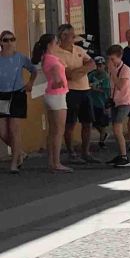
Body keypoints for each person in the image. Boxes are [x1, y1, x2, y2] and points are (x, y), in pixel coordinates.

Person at [32, 32, 71, 172]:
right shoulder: (52, 60)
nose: (57, 44)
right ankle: (56, 162)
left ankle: (51, 161)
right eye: (55, 42)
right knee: (58, 131)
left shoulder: (46, 58)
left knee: (53, 131)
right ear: (50, 45)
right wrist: (61, 82)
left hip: (50, 95)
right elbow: (56, 80)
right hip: (57, 96)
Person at [59, 25, 95, 164]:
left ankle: (86, 152)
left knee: (87, 122)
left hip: (85, 89)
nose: (74, 37)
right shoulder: (58, 53)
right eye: (72, 35)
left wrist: (80, 70)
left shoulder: (78, 49)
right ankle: (71, 152)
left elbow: (92, 63)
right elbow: (69, 75)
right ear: (63, 36)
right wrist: (84, 69)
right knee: (70, 123)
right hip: (70, 91)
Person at [0, 31, 36, 173]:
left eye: (12, 39)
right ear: (1, 43)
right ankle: (20, 152)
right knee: (2, 131)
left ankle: (14, 162)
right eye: (6, 40)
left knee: (14, 130)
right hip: (2, 95)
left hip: (17, 94)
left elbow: (33, 70)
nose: (9, 43)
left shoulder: (20, 57)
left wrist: (30, 83)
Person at [104, 45, 130, 168]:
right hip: (115, 102)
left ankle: (125, 157)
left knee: (117, 129)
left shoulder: (125, 69)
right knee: (115, 130)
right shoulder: (113, 69)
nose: (111, 62)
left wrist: (112, 71)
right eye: (109, 59)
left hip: (124, 102)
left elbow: (120, 85)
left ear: (120, 57)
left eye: (113, 59)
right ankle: (120, 154)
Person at [89, 56, 113, 149]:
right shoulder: (92, 74)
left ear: (103, 65)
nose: (98, 67)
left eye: (100, 65)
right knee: (94, 123)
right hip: (93, 101)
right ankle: (104, 134)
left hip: (102, 102)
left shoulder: (105, 76)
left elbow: (106, 90)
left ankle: (101, 142)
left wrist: (95, 88)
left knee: (103, 123)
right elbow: (87, 83)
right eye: (97, 65)